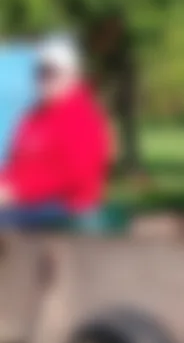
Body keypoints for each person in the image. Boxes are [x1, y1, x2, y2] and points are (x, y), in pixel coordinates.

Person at [0, 36, 114, 228]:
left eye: (53, 72)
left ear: (73, 75)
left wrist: (18, 191)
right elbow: (15, 165)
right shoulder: (33, 117)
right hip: (29, 204)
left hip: (66, 209)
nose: (45, 78)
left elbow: (75, 175)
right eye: (41, 72)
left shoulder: (84, 117)